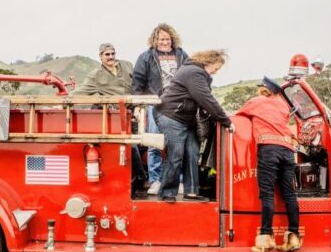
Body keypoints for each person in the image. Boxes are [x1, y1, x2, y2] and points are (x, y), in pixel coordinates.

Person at [154, 49, 232, 203]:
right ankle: (167, 192)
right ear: (208, 62)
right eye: (216, 68)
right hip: (170, 115)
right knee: (176, 153)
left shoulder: (197, 73)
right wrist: (226, 121)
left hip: (184, 118)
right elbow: (206, 99)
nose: (215, 72)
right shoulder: (194, 73)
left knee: (192, 152)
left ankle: (191, 191)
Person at [235, 77, 301, 252]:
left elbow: (237, 116)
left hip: (269, 149)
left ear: (263, 89)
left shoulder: (255, 102)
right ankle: (293, 237)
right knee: (289, 194)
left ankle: (265, 239)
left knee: (267, 194)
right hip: (287, 151)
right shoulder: (283, 105)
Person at [77, 43, 148, 198]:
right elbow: (81, 92)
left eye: (112, 53)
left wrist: (138, 105)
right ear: (100, 57)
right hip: (115, 115)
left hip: (134, 110)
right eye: (107, 54)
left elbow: (138, 84)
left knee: (144, 144)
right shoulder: (96, 75)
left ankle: (137, 178)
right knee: (131, 145)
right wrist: (62, 99)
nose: (111, 57)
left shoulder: (127, 66)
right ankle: (141, 179)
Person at [132, 23, 188, 195]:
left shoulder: (181, 54)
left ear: (172, 39)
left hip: (177, 105)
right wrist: (136, 106)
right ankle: (155, 180)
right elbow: (138, 82)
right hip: (155, 104)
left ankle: (175, 181)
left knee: (176, 145)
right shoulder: (146, 57)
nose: (165, 42)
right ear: (155, 40)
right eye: (161, 39)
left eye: (168, 38)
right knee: (154, 143)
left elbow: (190, 76)